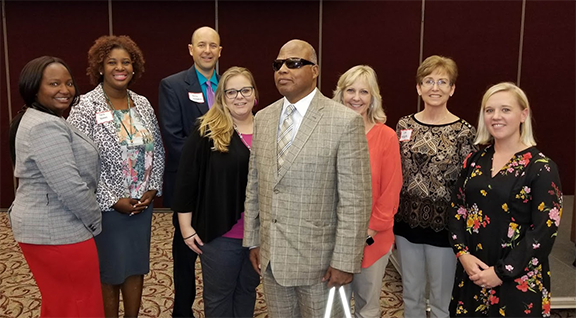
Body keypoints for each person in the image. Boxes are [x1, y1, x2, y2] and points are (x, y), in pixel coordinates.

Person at [243, 39, 372, 317]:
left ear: (315, 70)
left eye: (294, 63)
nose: (283, 70)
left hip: (321, 263)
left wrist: (345, 260)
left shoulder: (343, 121)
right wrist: (254, 240)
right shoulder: (263, 118)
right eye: (278, 64)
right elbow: (255, 184)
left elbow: (355, 199)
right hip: (272, 258)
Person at [67, 35, 165, 318]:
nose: (119, 67)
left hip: (141, 206)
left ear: (134, 68)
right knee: (109, 271)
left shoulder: (143, 104)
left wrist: (153, 188)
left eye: (126, 62)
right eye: (112, 62)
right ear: (100, 67)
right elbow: (79, 163)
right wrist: (111, 200)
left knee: (136, 267)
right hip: (106, 210)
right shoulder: (85, 107)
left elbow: (157, 148)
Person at [448, 82, 563, 317]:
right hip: (473, 274)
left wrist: (501, 273)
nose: (496, 116)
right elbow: (457, 208)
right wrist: (463, 254)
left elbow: (543, 232)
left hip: (517, 282)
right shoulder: (474, 159)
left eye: (505, 110)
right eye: (489, 110)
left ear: (523, 114)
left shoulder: (541, 168)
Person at [8, 56, 104, 317]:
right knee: (80, 306)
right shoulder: (45, 126)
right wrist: (95, 220)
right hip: (59, 231)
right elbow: (71, 188)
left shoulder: (39, 118)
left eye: (69, 83)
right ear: (34, 88)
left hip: (48, 229)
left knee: (61, 304)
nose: (65, 90)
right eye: (54, 83)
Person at [172, 66, 260, 318]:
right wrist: (186, 229)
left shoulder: (269, 127)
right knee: (220, 296)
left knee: (247, 290)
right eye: (231, 92)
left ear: (254, 93)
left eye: (245, 90)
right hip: (221, 233)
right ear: (221, 97)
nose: (239, 97)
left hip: (259, 234)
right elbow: (186, 181)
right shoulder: (206, 131)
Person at [394, 55, 477, 318]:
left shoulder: (464, 131)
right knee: (411, 295)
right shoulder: (404, 125)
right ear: (418, 87)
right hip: (407, 224)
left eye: (443, 81)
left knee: (442, 301)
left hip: (445, 228)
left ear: (452, 89)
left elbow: (468, 185)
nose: (435, 87)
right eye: (428, 81)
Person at [158, 26, 222, 318]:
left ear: (220, 50)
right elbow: (174, 138)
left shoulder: (229, 86)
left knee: (222, 253)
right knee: (185, 255)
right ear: (191, 49)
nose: (207, 50)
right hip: (190, 187)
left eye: (213, 45)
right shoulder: (173, 85)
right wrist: (213, 167)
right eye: (201, 45)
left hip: (224, 189)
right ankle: (181, 312)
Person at [333, 65, 402, 318]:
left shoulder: (387, 137)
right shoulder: (329, 133)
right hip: (333, 238)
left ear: (373, 97)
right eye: (350, 90)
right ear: (340, 94)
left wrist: (369, 229)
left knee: (367, 307)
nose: (356, 98)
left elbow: (391, 189)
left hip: (371, 238)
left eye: (364, 91)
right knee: (334, 305)